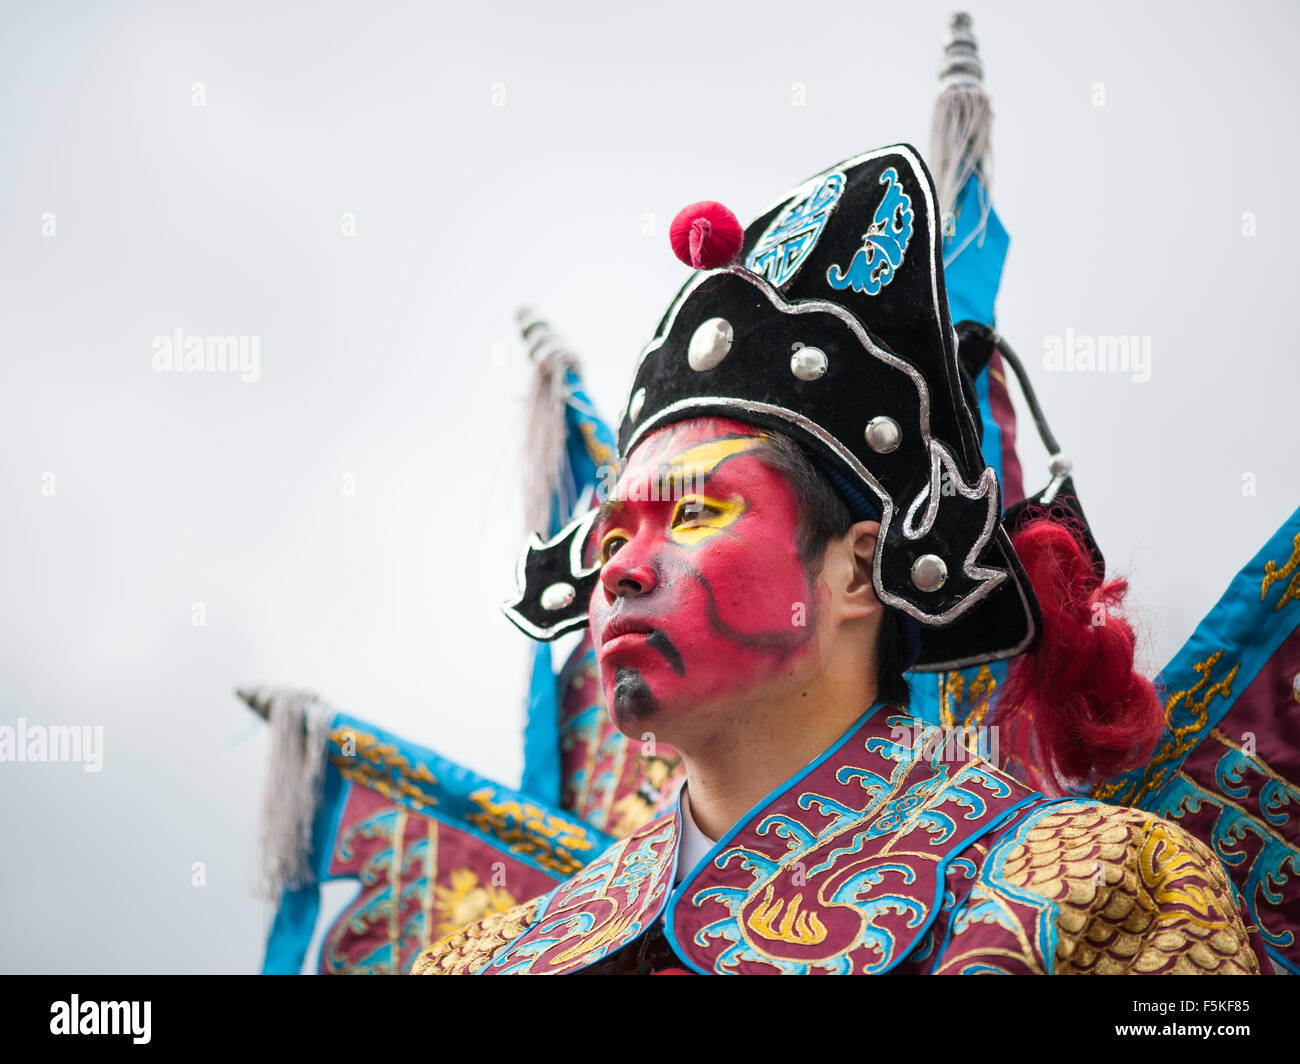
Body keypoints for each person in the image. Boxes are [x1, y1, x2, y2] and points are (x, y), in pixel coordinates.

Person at [413, 145, 1265, 975]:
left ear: (858, 571)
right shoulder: (483, 960)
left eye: (696, 512)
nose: (622, 572)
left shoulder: (1100, 892)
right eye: (611, 537)